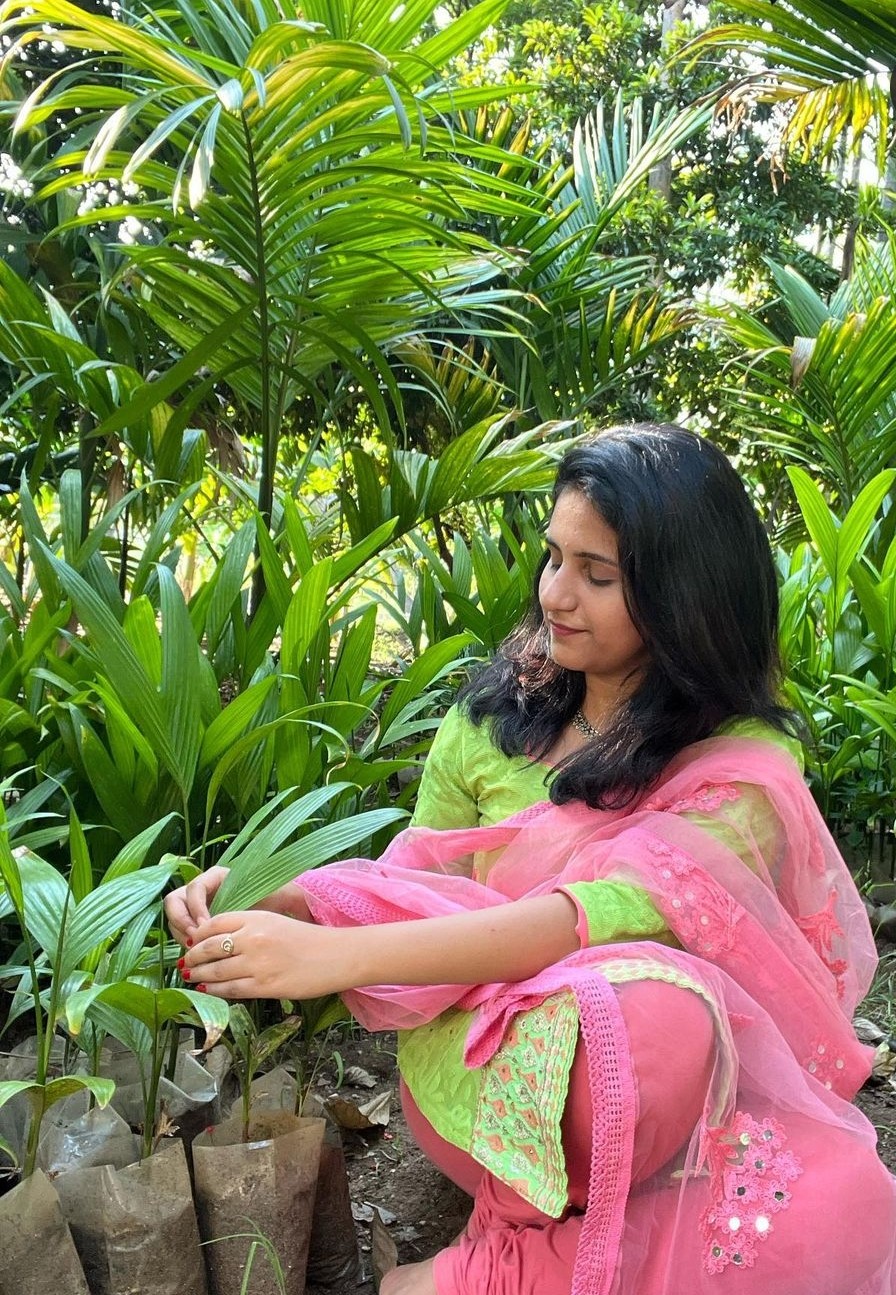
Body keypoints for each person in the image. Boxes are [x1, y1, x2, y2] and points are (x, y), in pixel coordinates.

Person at [166, 425, 895, 1295]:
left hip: (661, 1100)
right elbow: (416, 886)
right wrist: (274, 902)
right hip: (492, 1067)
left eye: (596, 575)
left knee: (811, 1178)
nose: (555, 593)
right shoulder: (491, 722)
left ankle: (486, 1271)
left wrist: (335, 955)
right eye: (553, 558)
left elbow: (582, 920)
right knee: (667, 1051)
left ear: (684, 593)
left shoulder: (739, 767)